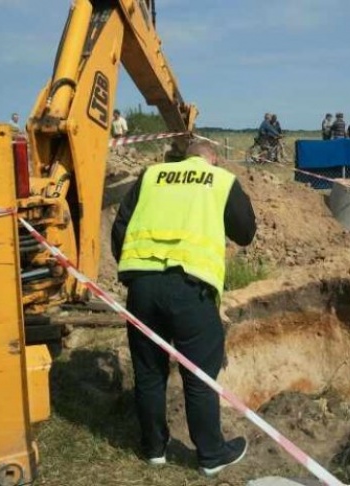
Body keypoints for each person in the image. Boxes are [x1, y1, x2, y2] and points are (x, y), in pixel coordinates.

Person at [111, 140, 256, 476]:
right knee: (199, 375)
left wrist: (133, 272)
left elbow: (121, 225)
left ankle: (153, 449)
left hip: (142, 287)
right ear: (212, 159)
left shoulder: (151, 175)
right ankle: (211, 455)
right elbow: (245, 232)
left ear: (183, 157)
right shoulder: (219, 179)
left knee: (148, 372)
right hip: (190, 289)